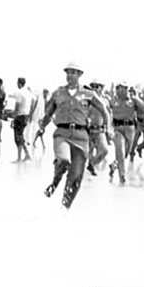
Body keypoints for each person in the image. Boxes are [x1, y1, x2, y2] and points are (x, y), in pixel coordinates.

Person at [38, 62, 109, 209]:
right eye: (68, 72)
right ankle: (55, 181)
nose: (69, 75)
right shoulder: (58, 93)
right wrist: (42, 126)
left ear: (80, 75)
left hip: (81, 136)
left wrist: (108, 128)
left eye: (73, 72)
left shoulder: (89, 94)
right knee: (63, 160)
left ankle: (65, 207)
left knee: (76, 176)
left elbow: (104, 110)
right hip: (62, 134)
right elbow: (48, 113)